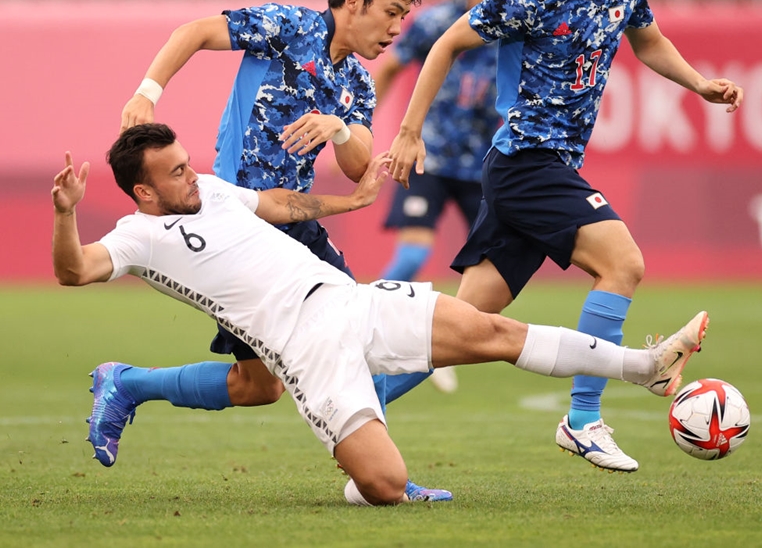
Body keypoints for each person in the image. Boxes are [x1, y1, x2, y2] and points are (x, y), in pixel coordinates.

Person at [52, 124, 709, 505]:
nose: (192, 176)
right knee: (385, 485)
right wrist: (64, 213)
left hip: (353, 299)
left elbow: (279, 205)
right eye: (175, 172)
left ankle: (644, 366)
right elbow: (73, 270)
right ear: (144, 190)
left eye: (187, 163)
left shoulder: (215, 191)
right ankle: (367, 473)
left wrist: (353, 199)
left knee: (493, 331)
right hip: (306, 352)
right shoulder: (135, 236)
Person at [387, 0, 743, 474]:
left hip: (535, 167)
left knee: (462, 329)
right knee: (623, 262)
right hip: (527, 163)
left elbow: (647, 39)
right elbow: (446, 44)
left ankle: (354, 402)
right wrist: (409, 130)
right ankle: (582, 418)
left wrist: (698, 85)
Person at [107, 0, 444, 498]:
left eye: (404, 17)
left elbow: (360, 161)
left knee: (355, 335)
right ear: (353, 2)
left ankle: (375, 475)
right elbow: (192, 32)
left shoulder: (356, 82)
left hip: (295, 227)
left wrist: (337, 128)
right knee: (257, 385)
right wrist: (146, 94)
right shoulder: (286, 27)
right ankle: (127, 383)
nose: (396, 29)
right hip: (236, 230)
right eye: (391, 13)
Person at [373, 0, 519, 393]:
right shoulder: (437, 23)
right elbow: (390, 67)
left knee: (488, 276)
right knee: (414, 254)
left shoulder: (519, 32)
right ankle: (360, 330)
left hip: (485, 167)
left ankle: (436, 339)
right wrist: (366, 127)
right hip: (428, 158)